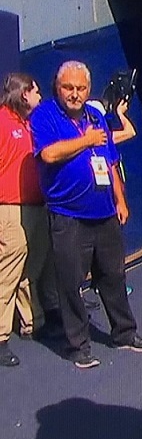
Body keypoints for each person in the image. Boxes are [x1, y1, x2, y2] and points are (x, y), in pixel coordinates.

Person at [30, 60, 142, 369]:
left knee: (113, 275)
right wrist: (86, 140)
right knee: (71, 281)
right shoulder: (44, 115)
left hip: (104, 212)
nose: (75, 94)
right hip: (68, 215)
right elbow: (48, 154)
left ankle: (124, 332)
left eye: (81, 88)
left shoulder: (96, 114)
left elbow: (109, 160)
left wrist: (120, 200)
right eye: (68, 88)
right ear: (57, 88)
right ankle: (78, 346)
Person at [0, 73, 61, 367]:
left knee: (32, 266)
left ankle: (31, 323)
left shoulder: (30, 124)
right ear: (24, 93)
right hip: (9, 207)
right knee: (10, 267)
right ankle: (0, 338)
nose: (39, 96)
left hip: (36, 204)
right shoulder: (2, 122)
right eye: (36, 91)